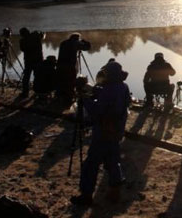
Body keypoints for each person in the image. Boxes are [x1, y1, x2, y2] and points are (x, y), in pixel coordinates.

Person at [71, 60, 131, 206]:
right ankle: (114, 192)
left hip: (103, 132)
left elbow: (97, 112)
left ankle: (86, 195)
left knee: (91, 164)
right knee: (112, 161)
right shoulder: (123, 86)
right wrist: (90, 89)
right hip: (117, 131)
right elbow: (106, 96)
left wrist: (84, 99)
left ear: (109, 74)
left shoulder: (109, 89)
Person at [56, 33, 91, 103]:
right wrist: (84, 41)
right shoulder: (75, 43)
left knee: (61, 81)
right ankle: (68, 99)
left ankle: (59, 96)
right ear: (77, 38)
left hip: (60, 65)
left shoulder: (63, 42)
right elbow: (87, 47)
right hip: (69, 66)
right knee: (70, 82)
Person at [19, 27, 46, 98]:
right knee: (38, 76)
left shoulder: (22, 41)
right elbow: (43, 35)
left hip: (28, 61)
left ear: (22, 34)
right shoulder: (36, 35)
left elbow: (22, 49)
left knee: (26, 77)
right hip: (38, 60)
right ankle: (38, 92)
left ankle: (25, 93)